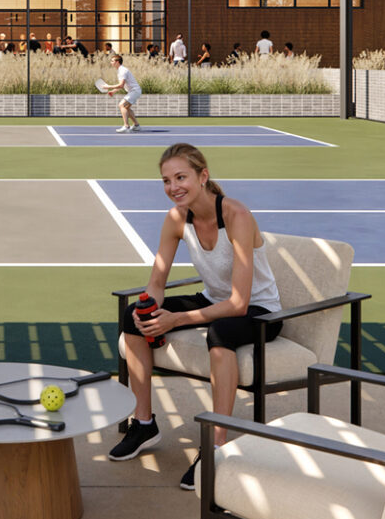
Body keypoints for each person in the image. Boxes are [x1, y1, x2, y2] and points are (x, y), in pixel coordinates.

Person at [111, 142, 281, 490]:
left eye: (181, 177)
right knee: (132, 318)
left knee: (221, 332)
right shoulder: (176, 219)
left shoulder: (237, 216)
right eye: (166, 180)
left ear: (203, 176)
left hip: (259, 311)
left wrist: (174, 320)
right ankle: (143, 424)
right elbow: (156, 282)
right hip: (212, 300)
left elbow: (238, 303)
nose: (173, 187)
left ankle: (216, 446)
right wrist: (149, 307)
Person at [102, 48, 142, 133]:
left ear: (117, 62)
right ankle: (136, 125)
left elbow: (121, 85)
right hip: (134, 91)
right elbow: (122, 85)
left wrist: (108, 87)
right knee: (126, 108)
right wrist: (113, 91)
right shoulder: (120, 70)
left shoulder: (122, 71)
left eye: (112, 61)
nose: (111, 62)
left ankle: (126, 126)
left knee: (121, 105)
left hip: (134, 91)